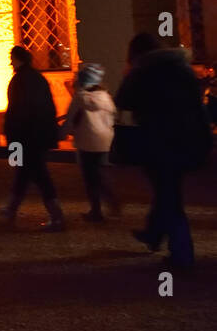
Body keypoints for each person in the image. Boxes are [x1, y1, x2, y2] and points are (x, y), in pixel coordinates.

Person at [115, 33, 212, 269]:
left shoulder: (143, 72)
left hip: (159, 142)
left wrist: (130, 72)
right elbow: (197, 105)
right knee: (168, 190)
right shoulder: (182, 68)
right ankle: (154, 233)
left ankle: (182, 254)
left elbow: (123, 100)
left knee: (169, 195)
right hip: (188, 140)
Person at [0, 46, 64, 231]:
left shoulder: (19, 80)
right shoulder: (38, 78)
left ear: (18, 59)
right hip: (38, 135)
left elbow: (16, 110)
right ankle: (11, 209)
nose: (10, 62)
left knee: (36, 173)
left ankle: (56, 215)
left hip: (24, 137)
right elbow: (48, 107)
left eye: (12, 58)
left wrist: (10, 134)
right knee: (25, 172)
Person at [63, 62, 119, 223]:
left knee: (90, 177)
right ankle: (110, 198)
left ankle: (96, 211)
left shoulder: (80, 97)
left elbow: (70, 119)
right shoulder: (106, 97)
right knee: (100, 173)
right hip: (105, 141)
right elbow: (113, 117)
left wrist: (61, 134)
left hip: (87, 141)